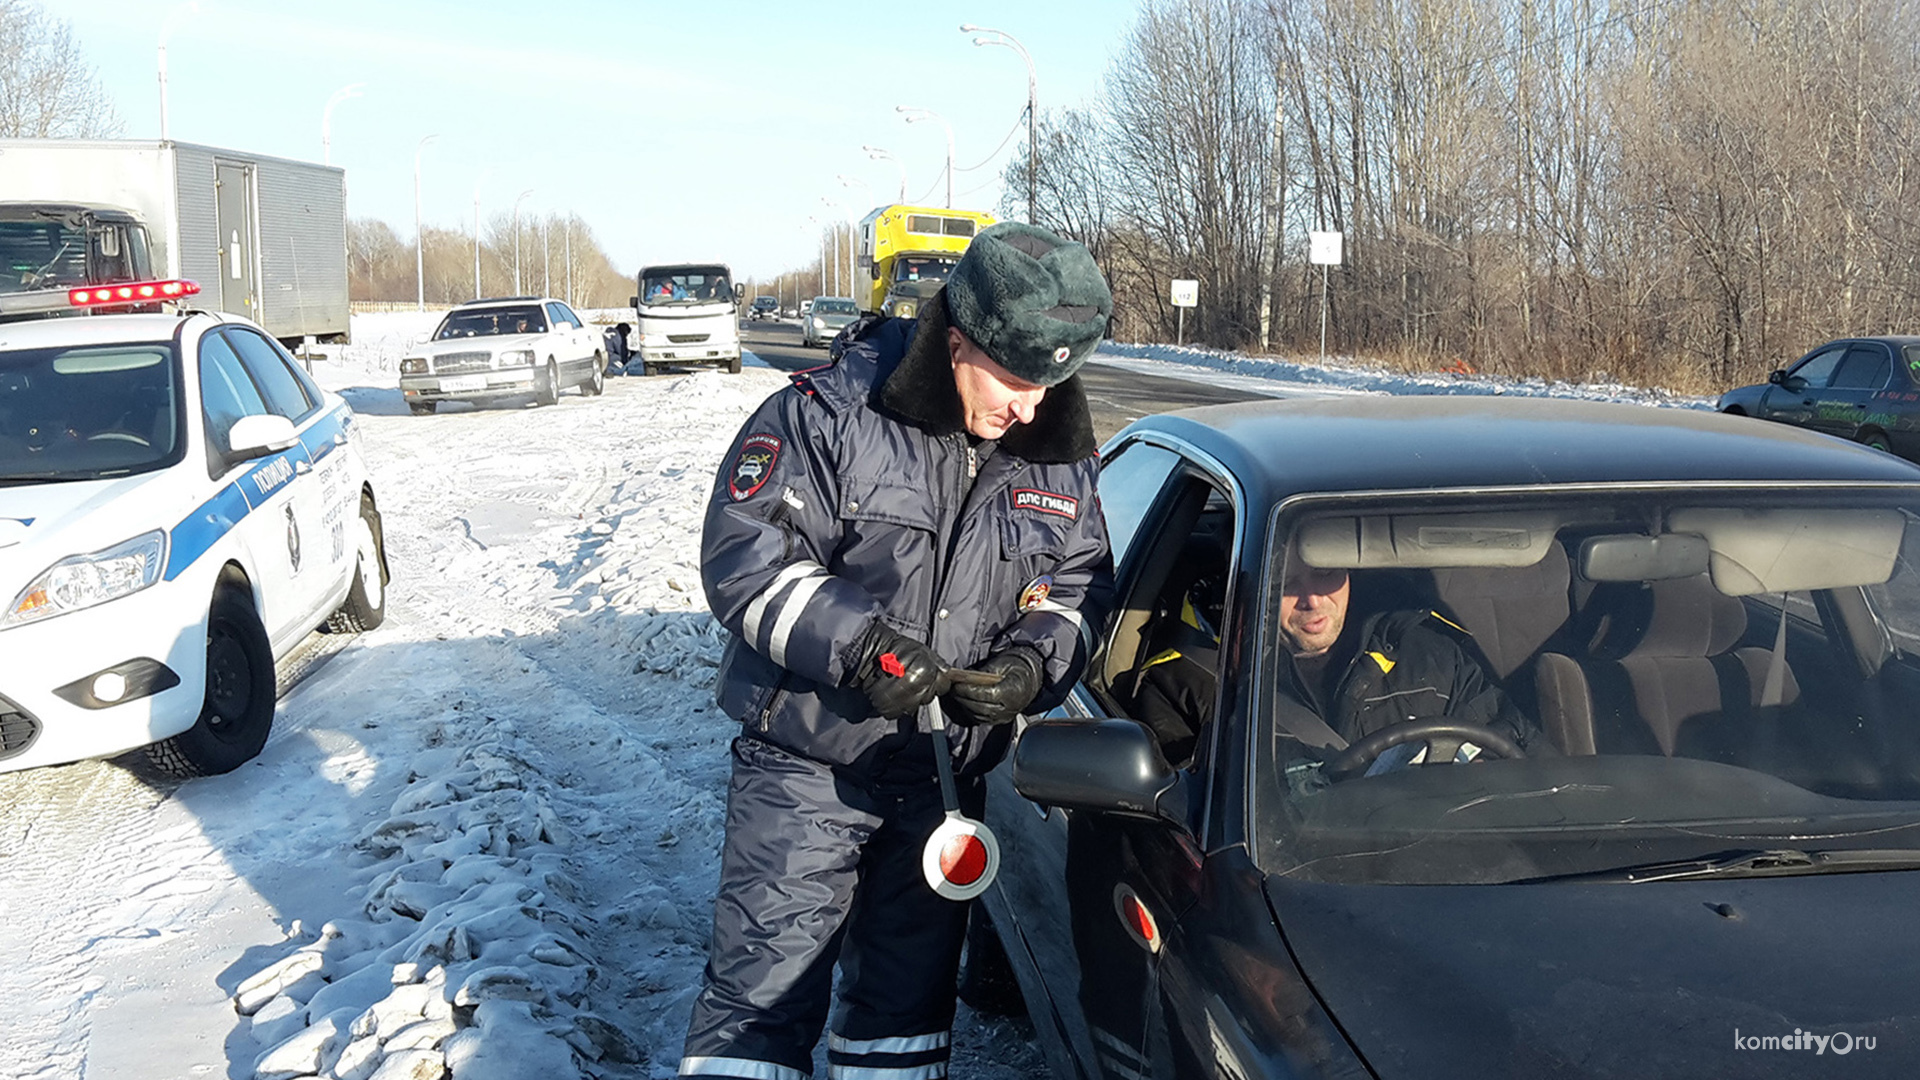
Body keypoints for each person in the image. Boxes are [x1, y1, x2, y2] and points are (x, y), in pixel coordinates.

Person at [682, 223, 1116, 1080]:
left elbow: (1078, 587)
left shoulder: (1059, 451)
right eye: (1015, 380)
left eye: (1051, 380)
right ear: (957, 341)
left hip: (940, 786)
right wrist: (865, 649)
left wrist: (1032, 664)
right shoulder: (829, 414)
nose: (1030, 407)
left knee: (902, 1022)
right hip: (806, 769)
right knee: (758, 1011)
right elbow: (744, 562)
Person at [1276, 559, 1546, 771]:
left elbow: (1517, 748)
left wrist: (1483, 773)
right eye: (1287, 583)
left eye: (1325, 574)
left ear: (1349, 572)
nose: (1311, 600)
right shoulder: (1244, 689)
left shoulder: (1432, 660)